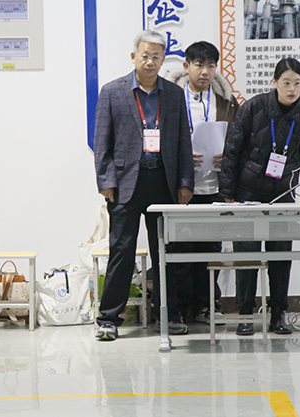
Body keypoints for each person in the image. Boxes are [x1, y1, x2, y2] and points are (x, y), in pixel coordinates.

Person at [94, 30, 194, 341]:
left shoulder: (174, 94)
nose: (150, 62)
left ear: (163, 60)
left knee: (165, 252)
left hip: (163, 181)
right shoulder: (112, 92)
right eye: (145, 55)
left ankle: (169, 315)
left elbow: (183, 142)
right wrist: (105, 181)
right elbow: (102, 142)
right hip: (125, 184)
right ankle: (108, 319)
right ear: (133, 57)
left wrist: (185, 183)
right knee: (121, 252)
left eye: (156, 57)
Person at [220, 57, 300, 336]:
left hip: (283, 192)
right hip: (248, 192)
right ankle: (245, 315)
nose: (292, 89)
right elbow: (232, 150)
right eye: (286, 82)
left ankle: (278, 314)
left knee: (281, 256)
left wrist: (291, 168)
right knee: (247, 256)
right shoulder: (253, 107)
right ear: (274, 82)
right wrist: (228, 194)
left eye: (297, 83)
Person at [165, 41, 238, 324]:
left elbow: (237, 141)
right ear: (186, 66)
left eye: (211, 66)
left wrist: (226, 156)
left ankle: (207, 305)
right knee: (181, 251)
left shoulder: (225, 102)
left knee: (210, 251)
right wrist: (182, 156)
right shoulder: (172, 99)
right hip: (181, 188)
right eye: (199, 65)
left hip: (214, 187)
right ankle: (181, 308)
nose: (205, 71)